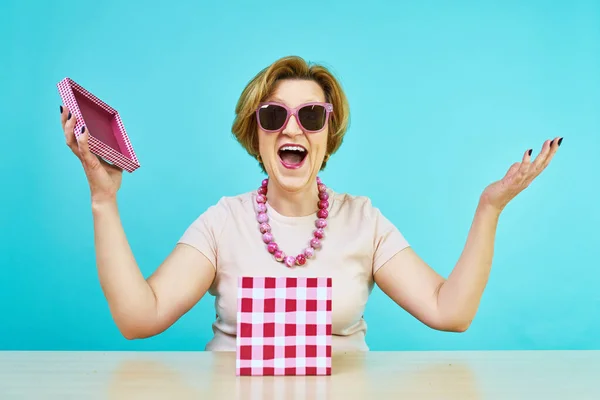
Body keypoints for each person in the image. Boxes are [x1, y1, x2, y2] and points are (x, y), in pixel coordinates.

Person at [58, 55, 562, 352]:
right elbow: (137, 318)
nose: (292, 128)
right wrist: (104, 200)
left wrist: (489, 208)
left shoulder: (363, 221)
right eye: (274, 115)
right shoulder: (223, 222)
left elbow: (449, 311)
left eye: (311, 116)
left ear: (328, 134)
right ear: (255, 135)